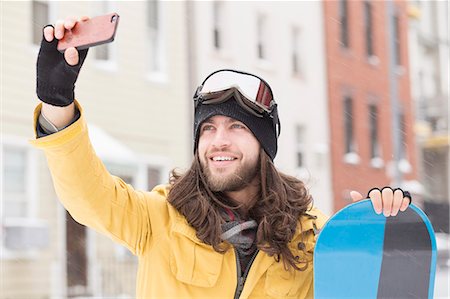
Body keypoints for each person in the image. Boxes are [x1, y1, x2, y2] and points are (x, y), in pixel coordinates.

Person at [31, 17, 412, 298]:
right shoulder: (158, 219)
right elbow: (86, 195)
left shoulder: (309, 237)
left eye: (238, 128)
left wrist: (372, 231)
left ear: (266, 146)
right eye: (208, 129)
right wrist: (56, 102)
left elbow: (358, 286)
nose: (219, 141)